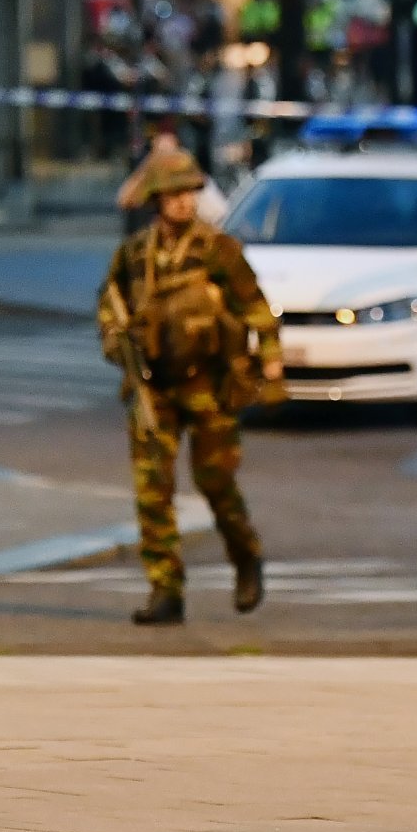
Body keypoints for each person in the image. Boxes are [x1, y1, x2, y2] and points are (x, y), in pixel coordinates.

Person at [96, 147, 281, 626]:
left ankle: (246, 557)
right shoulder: (135, 254)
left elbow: (255, 307)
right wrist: (117, 342)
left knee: (216, 482)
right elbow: (109, 304)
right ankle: (165, 588)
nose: (183, 202)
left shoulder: (217, 249)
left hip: (208, 385)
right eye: (173, 194)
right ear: (157, 199)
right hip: (154, 388)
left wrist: (271, 365)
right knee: (152, 489)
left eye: (189, 193)